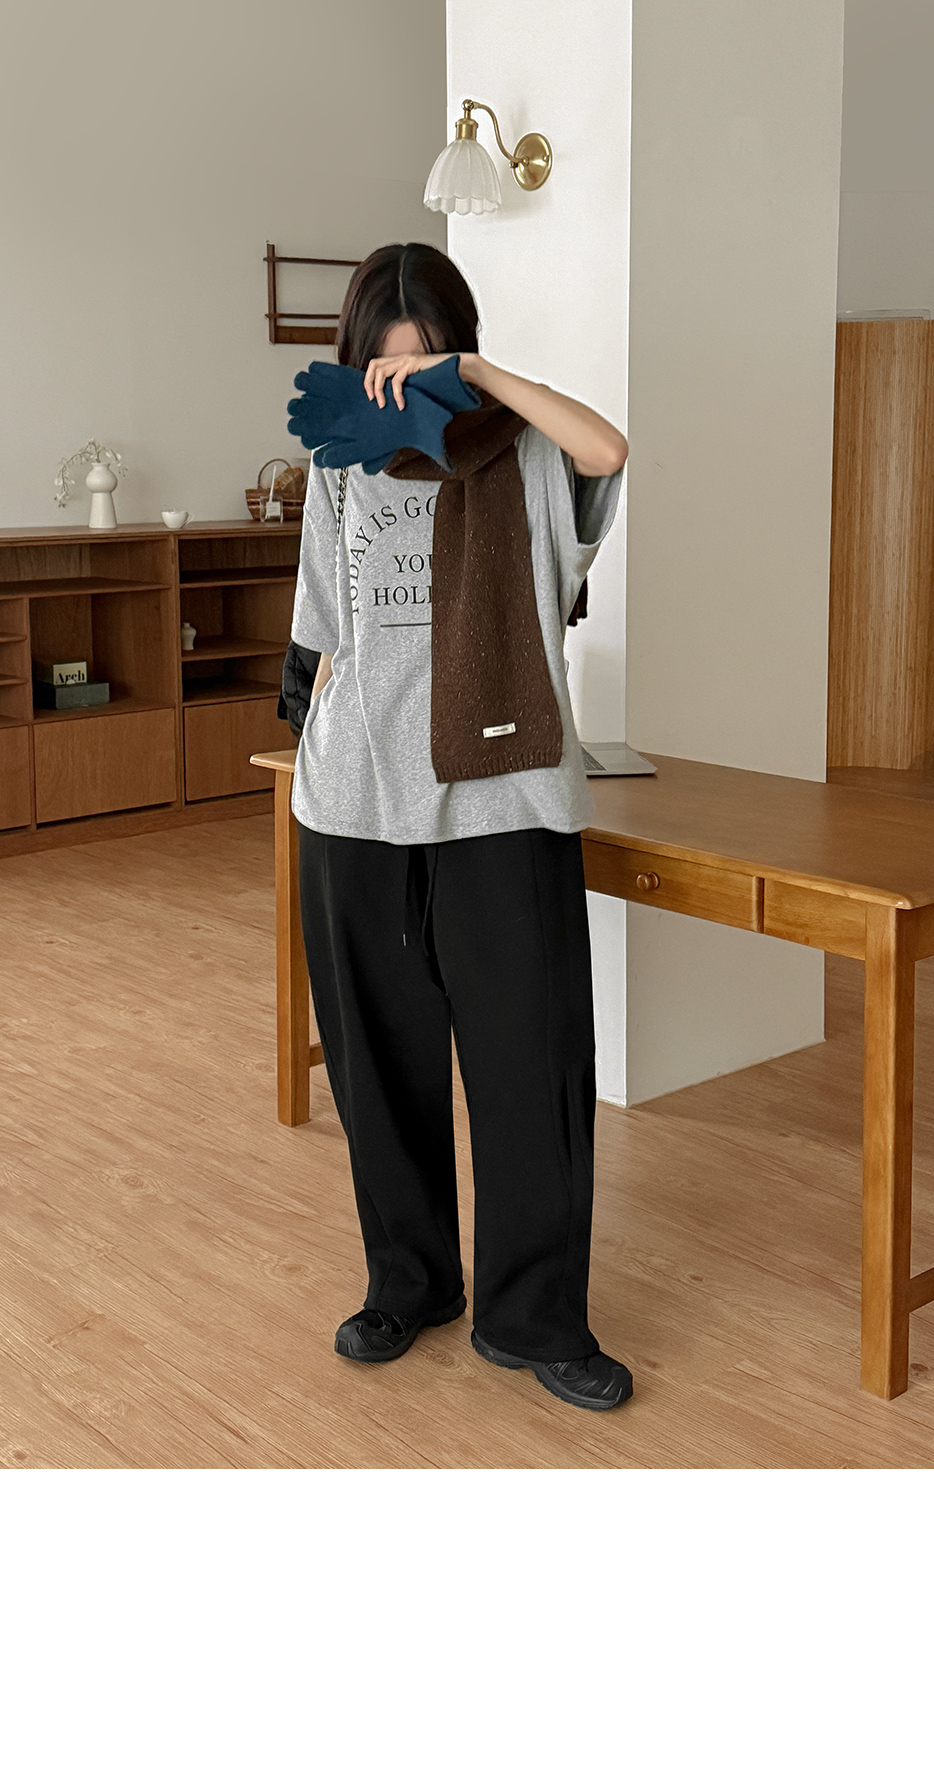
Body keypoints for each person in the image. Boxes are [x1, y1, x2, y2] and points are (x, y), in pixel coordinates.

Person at [288, 241, 632, 1411]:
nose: (403, 392)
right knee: (377, 1068)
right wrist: (315, 744)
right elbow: (323, 626)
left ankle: (535, 1317)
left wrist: (478, 379)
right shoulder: (337, 459)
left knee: (531, 1067)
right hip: (353, 803)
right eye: (382, 371)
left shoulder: (522, 450)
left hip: (505, 800)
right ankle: (410, 1282)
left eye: (424, 366)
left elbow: (608, 450)